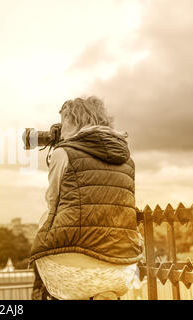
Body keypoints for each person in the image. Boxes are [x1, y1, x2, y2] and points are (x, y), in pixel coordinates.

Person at [30, 96, 144, 300]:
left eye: (64, 123)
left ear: (74, 121)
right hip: (122, 268)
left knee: (44, 223)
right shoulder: (128, 160)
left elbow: (53, 203)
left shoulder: (63, 153)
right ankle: (102, 293)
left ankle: (58, 294)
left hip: (73, 268)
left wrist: (58, 151)